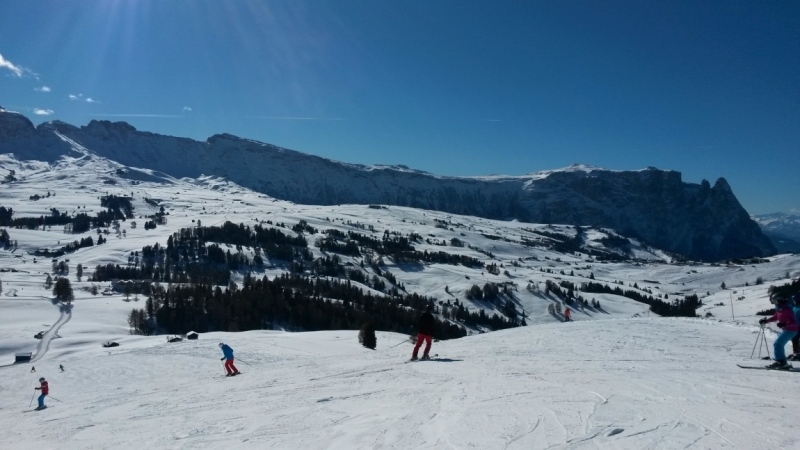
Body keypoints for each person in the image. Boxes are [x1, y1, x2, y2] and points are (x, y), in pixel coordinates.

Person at [759, 293, 799, 369]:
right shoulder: (781, 308)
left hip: (792, 329)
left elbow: (795, 321)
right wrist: (766, 321)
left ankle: (781, 362)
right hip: (788, 329)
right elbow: (775, 317)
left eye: (775, 301)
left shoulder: (788, 309)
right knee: (779, 344)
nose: (774, 302)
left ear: (779, 300)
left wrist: (785, 324)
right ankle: (782, 361)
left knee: (778, 344)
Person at [790, 295, 800, 361]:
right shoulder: (794, 307)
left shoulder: (797, 308)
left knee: (795, 338)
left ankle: (797, 353)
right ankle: (796, 353)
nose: (793, 302)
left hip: (798, 326)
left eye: (794, 300)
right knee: (794, 338)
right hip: (795, 326)